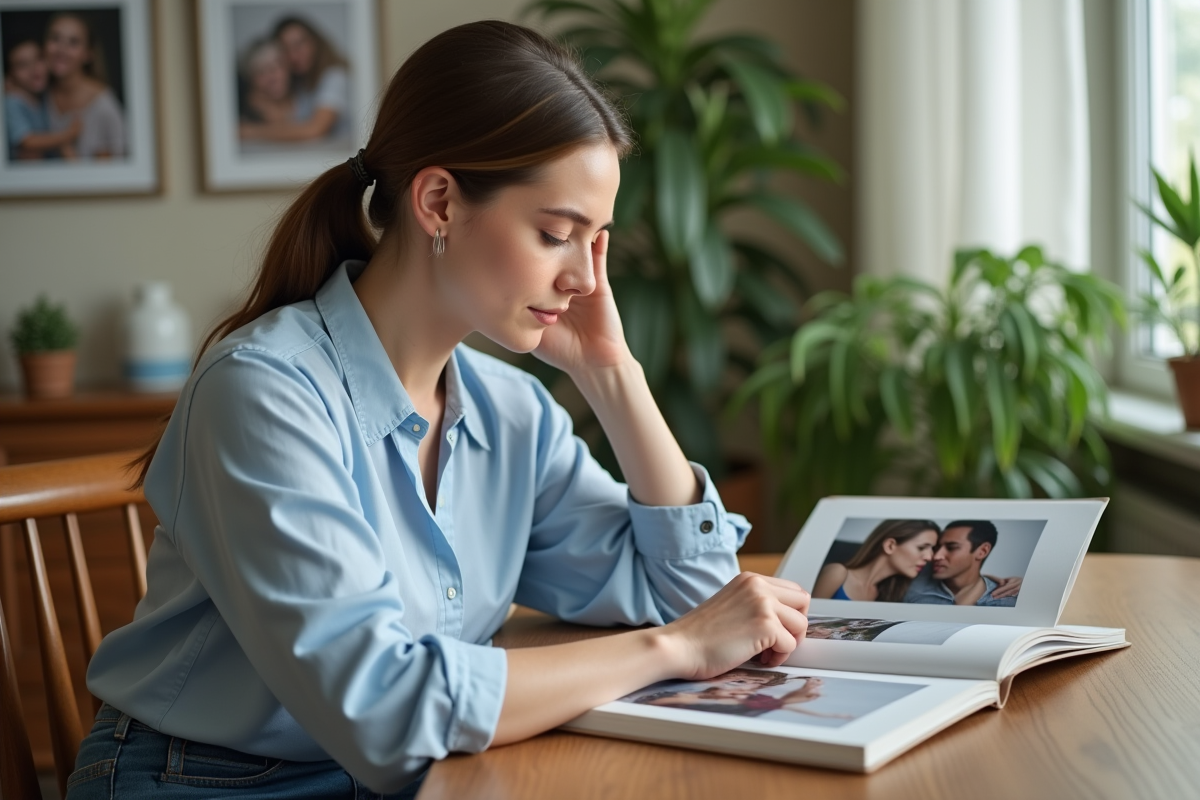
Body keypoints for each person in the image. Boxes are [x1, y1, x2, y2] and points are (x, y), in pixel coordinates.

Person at [66, 21, 812, 799]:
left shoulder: (510, 411)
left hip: (420, 778)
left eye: (599, 243)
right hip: (209, 784)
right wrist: (673, 650)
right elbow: (385, 708)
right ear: (438, 202)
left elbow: (701, 597)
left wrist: (613, 375)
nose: (587, 281)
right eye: (557, 234)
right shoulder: (262, 394)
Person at [239, 15, 350, 145]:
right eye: (287, 49)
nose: (295, 54)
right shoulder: (301, 85)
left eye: (300, 43)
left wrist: (250, 131)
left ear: (315, 42)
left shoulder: (334, 76)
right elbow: (290, 127)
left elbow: (315, 129)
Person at [43, 12, 126, 160]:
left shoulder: (104, 106)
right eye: (55, 38)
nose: (61, 49)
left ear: (88, 53)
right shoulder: (39, 95)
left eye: (73, 42)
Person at [635, 671, 852, 720]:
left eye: (750, 687)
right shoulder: (690, 691)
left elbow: (782, 703)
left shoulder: (744, 703)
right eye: (741, 682)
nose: (744, 689)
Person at [812, 520, 940, 602]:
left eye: (932, 549)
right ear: (890, 545)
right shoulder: (837, 573)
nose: (929, 557)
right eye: (922, 548)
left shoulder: (888, 595)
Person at [904, 520, 1020, 606]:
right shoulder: (911, 579)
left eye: (951, 547)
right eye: (937, 547)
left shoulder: (1007, 601)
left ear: (982, 551)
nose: (936, 556)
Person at [4, 38, 79, 160]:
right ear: (9, 75)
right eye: (22, 65)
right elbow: (27, 141)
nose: (34, 69)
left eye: (38, 59)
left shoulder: (45, 98)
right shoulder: (12, 101)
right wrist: (67, 136)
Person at [237, 37, 296, 130]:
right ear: (250, 80)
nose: (272, 78)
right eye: (261, 72)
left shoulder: (305, 95)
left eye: (275, 68)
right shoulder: (243, 112)